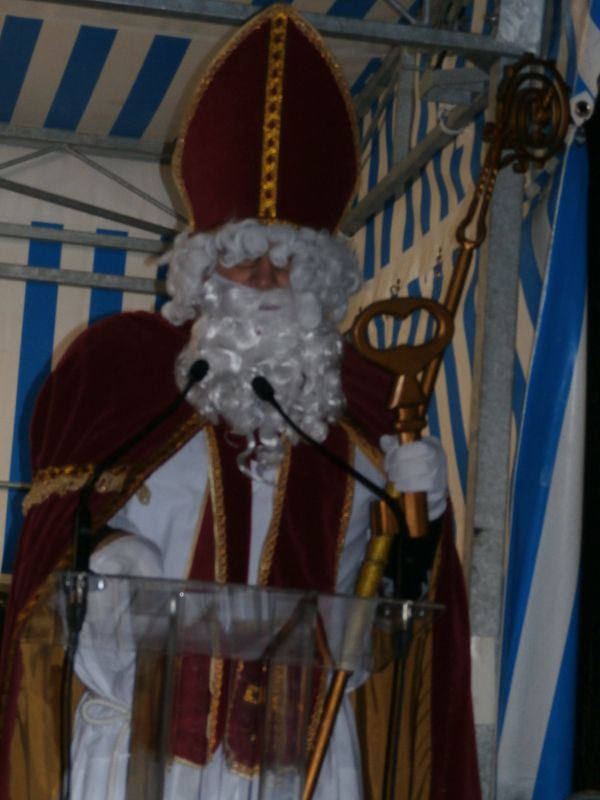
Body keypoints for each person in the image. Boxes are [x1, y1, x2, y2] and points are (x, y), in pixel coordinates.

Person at [0, 6, 479, 800]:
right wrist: (113, 557)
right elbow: (54, 561)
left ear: (318, 275)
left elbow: (400, 622)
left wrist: (419, 525)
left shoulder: (365, 410)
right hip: (137, 753)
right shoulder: (119, 376)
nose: (261, 278)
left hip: (310, 761)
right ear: (201, 265)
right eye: (242, 254)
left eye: (284, 259)